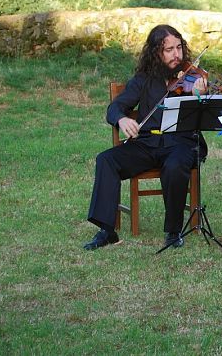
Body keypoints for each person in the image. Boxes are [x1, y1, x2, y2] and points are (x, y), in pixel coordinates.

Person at [83, 24, 208, 251]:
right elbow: (115, 107)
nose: (176, 54)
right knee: (106, 160)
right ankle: (106, 230)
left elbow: (206, 114)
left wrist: (200, 95)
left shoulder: (192, 78)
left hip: (181, 143)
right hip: (147, 144)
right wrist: (122, 119)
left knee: (175, 164)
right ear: (156, 53)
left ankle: (173, 231)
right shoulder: (143, 79)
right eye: (169, 49)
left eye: (178, 47)